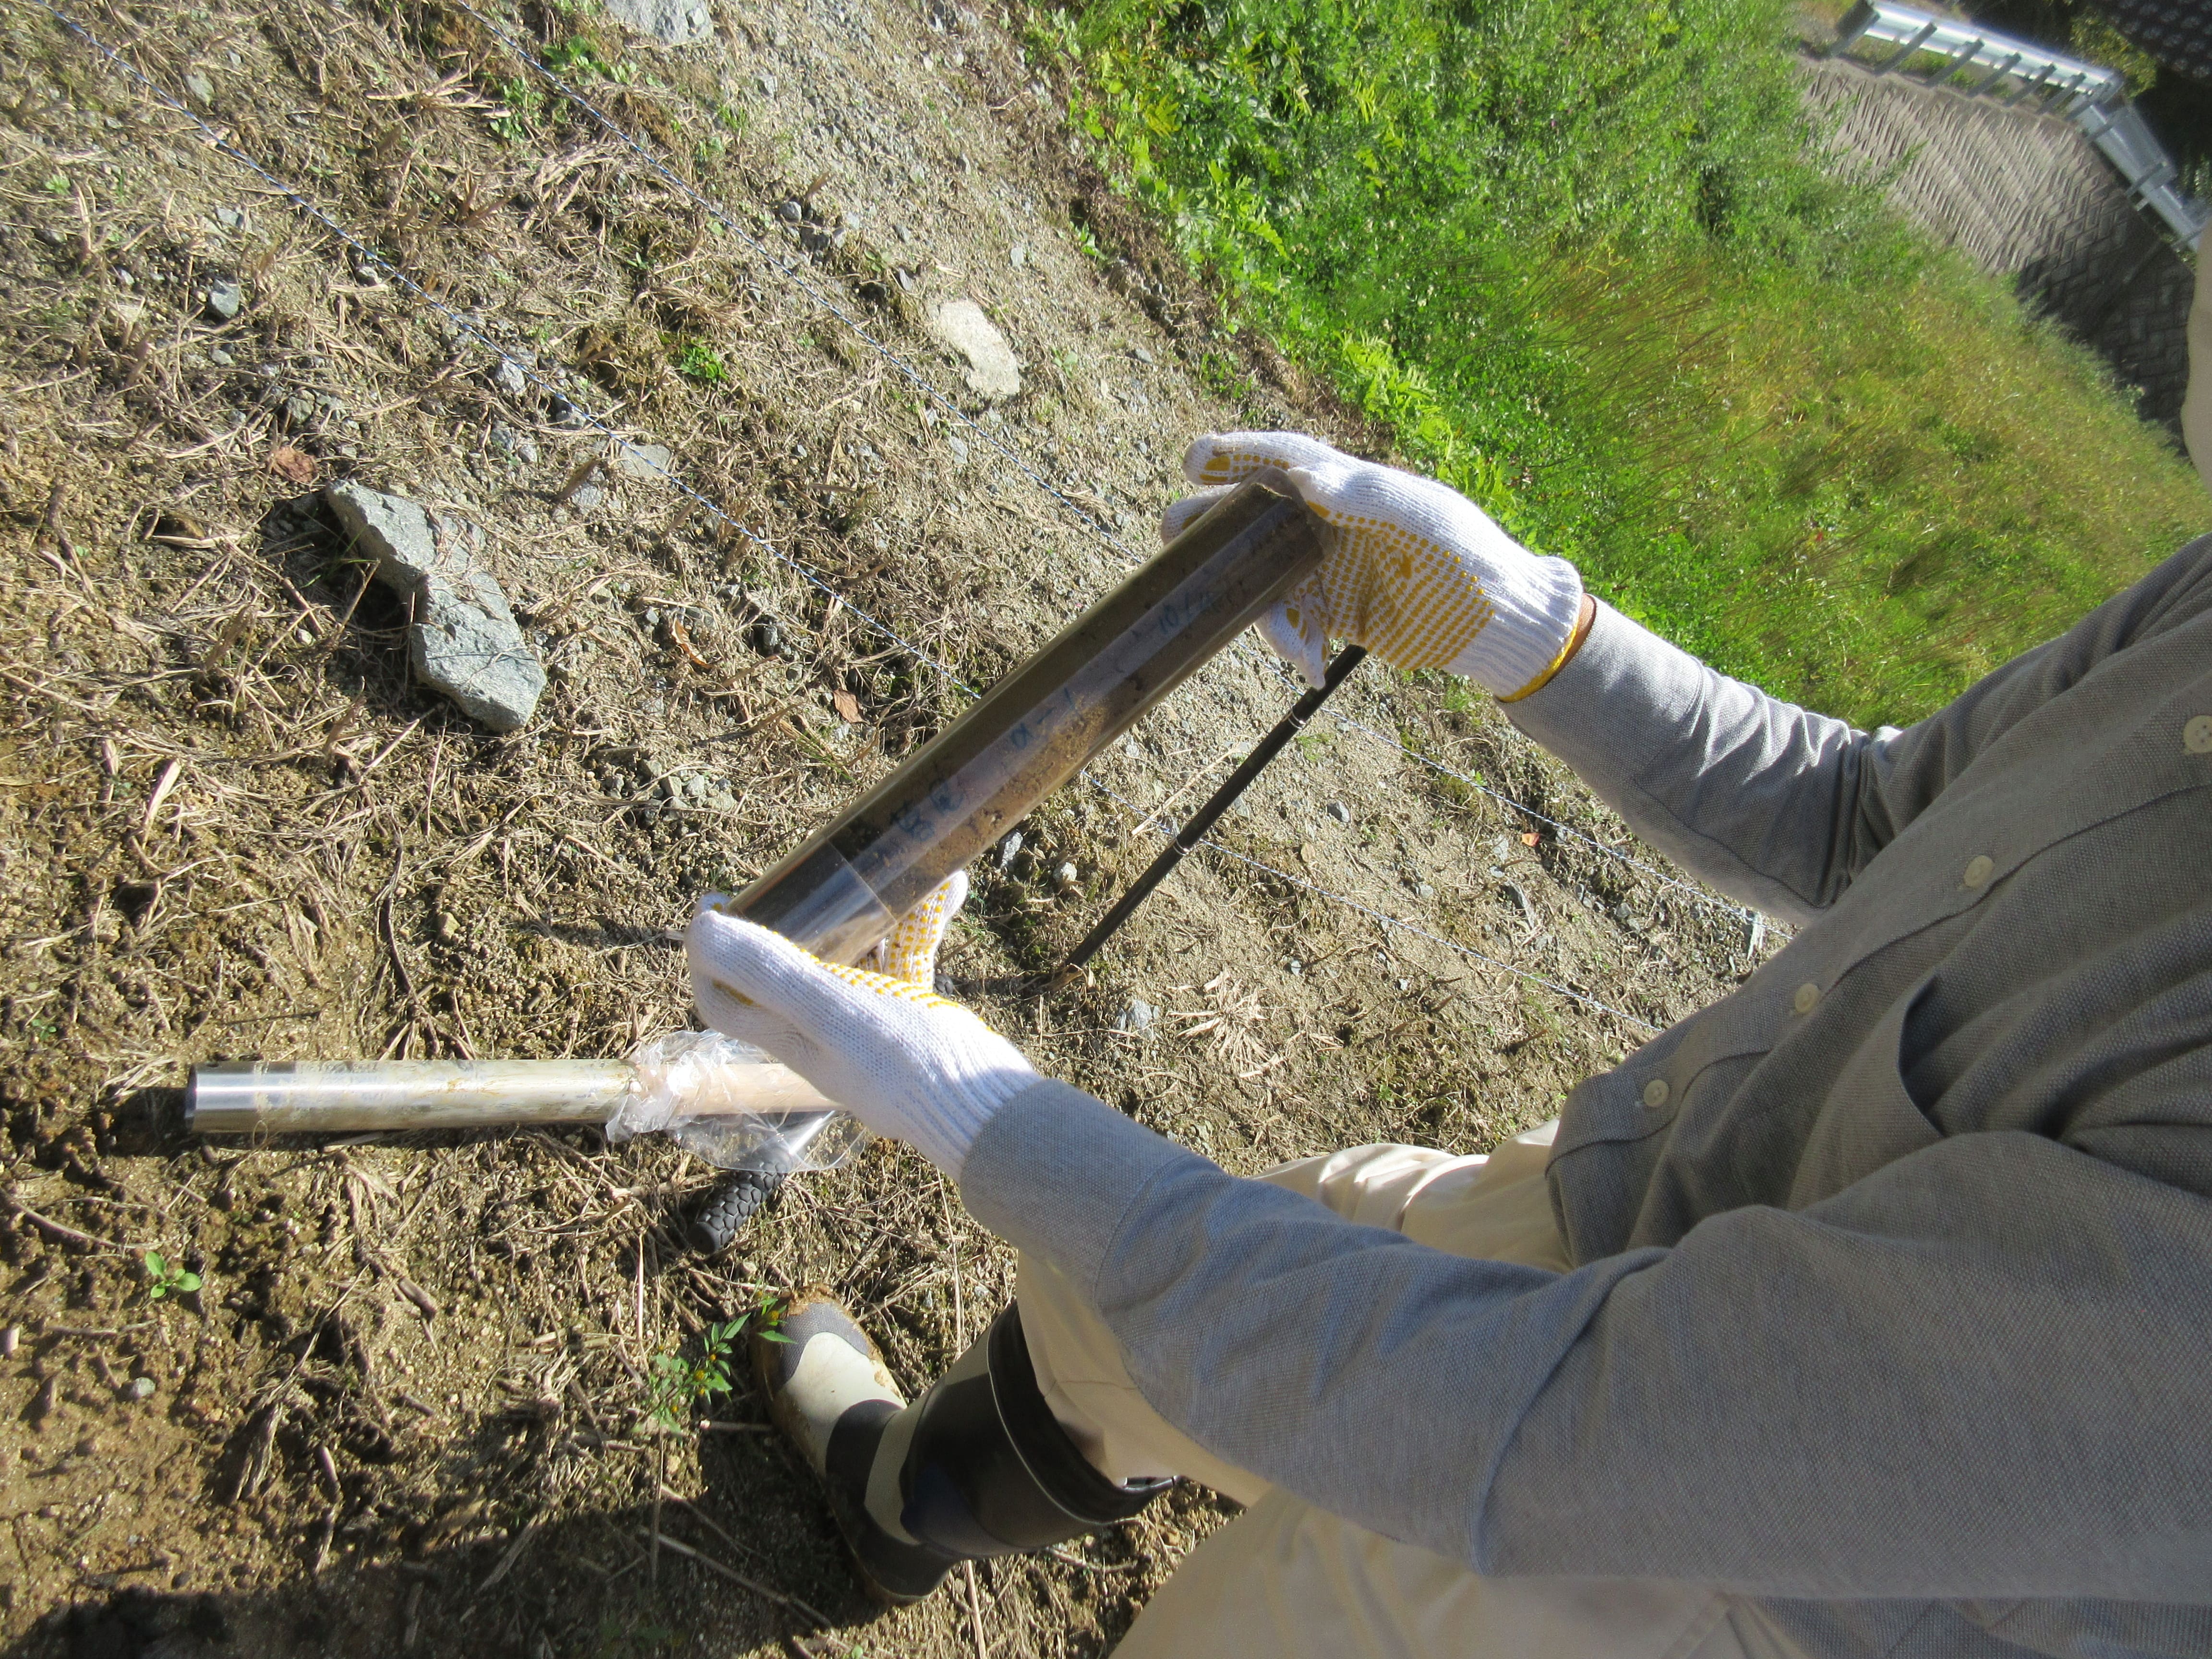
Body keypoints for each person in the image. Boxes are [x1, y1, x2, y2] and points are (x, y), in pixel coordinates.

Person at [684, 251, 2212, 1658]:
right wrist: (1532, 633)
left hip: (1737, 1583)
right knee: (1119, 1310)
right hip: (1641, 1207)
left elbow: (1558, 1426)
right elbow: (1870, 818)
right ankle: (905, 1508)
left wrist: (987, 1117)